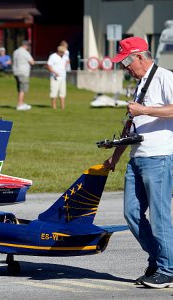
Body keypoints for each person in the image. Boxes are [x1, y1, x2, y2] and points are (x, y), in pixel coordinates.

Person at [103, 36, 173, 289]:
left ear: (140, 57)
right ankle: (160, 258)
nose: (124, 68)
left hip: (160, 156)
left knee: (159, 214)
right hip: (137, 157)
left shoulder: (166, 77)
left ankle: (167, 269)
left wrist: (144, 111)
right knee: (131, 213)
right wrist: (115, 156)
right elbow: (131, 124)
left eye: (126, 62)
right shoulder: (140, 83)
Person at [12, 40, 35, 111]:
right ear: (26, 46)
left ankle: (21, 102)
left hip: (16, 71)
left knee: (19, 88)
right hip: (23, 72)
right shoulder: (25, 52)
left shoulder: (15, 52)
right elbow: (32, 62)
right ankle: (20, 104)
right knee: (23, 89)